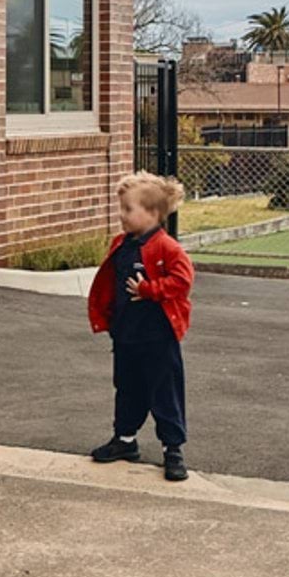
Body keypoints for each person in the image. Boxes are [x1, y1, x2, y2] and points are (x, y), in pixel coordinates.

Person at [87, 172, 194, 481]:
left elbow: (183, 281)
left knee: (164, 391)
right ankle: (125, 440)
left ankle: (172, 449)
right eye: (121, 208)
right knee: (127, 387)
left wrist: (151, 289)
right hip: (126, 333)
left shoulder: (167, 248)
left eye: (127, 209)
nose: (121, 215)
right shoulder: (122, 244)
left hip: (158, 336)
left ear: (152, 213)